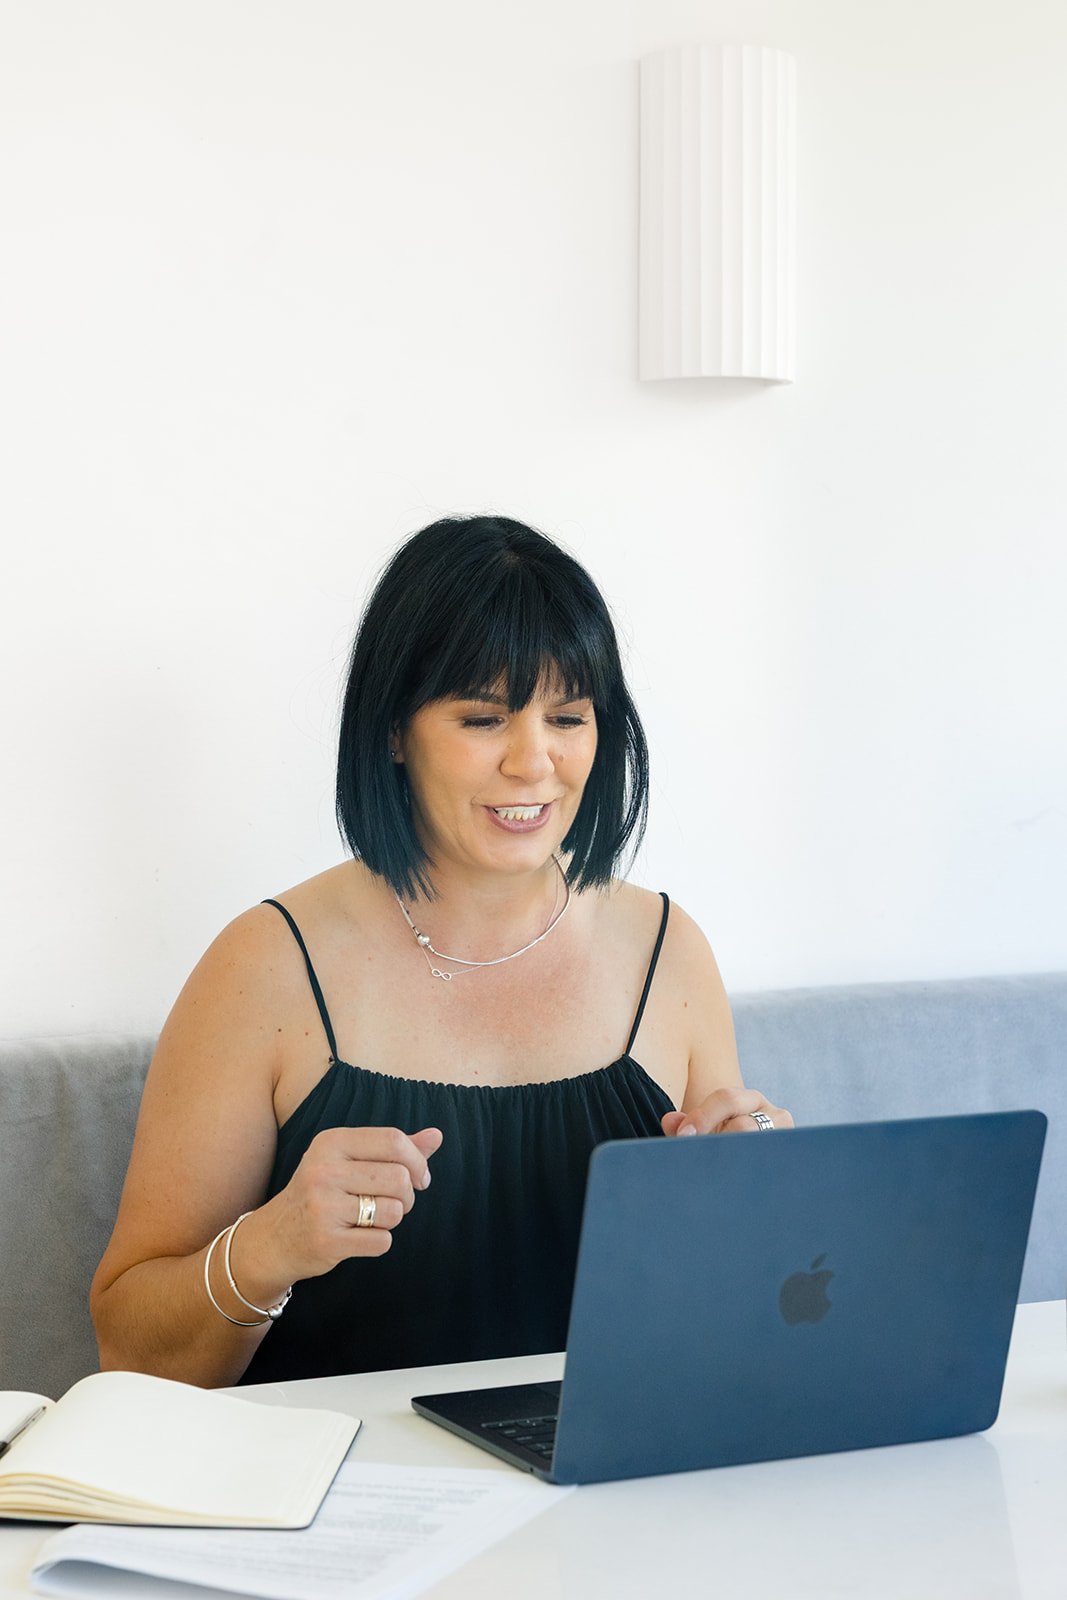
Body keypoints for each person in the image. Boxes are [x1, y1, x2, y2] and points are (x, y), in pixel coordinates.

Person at [91, 514, 793, 1387]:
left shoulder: (667, 953)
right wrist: (269, 1245)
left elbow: (727, 1326)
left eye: (568, 717)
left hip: (603, 1493)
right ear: (393, 731)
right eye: (483, 718)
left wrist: (760, 1204)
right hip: (343, 1498)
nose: (533, 763)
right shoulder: (265, 967)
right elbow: (128, 1350)